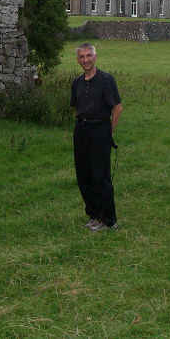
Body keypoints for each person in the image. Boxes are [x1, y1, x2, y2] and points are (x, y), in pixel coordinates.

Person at [71, 42, 123, 231]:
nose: (85, 60)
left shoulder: (106, 80)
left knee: (100, 176)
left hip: (100, 129)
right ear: (78, 60)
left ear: (95, 57)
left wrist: (109, 131)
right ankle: (94, 215)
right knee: (83, 175)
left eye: (88, 56)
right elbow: (76, 107)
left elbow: (117, 108)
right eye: (82, 57)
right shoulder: (77, 82)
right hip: (81, 131)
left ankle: (108, 220)